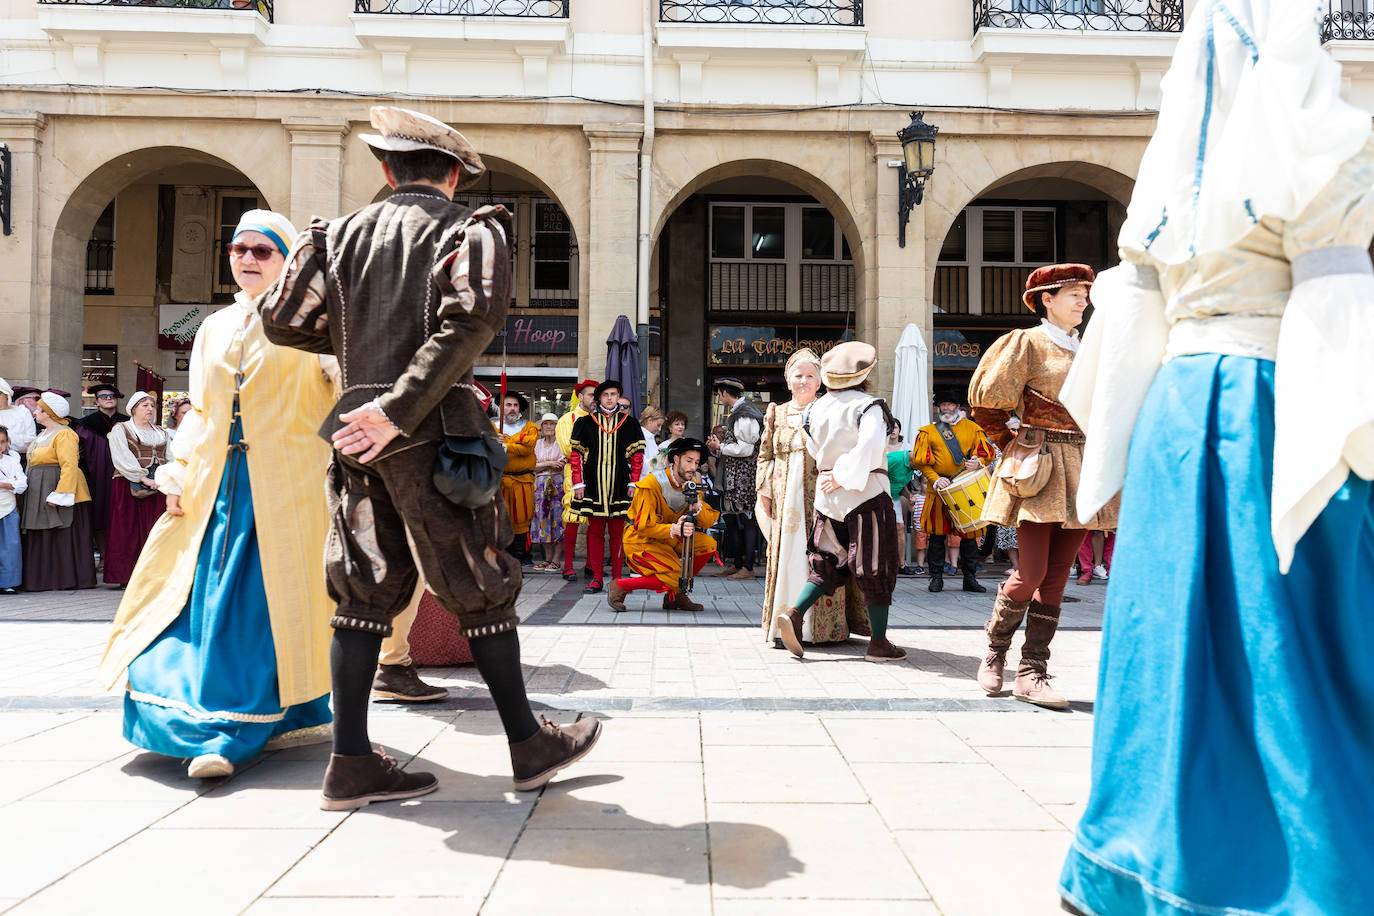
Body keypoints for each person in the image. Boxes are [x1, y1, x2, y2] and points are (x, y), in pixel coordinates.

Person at [1056, 6, 1374, 913]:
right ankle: (1309, 876)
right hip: (1273, 403)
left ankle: (1132, 865)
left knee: (1170, 640)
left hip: (1176, 409)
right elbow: (1339, 310)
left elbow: (1131, 323)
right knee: (1293, 641)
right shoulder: (1320, 148)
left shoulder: (1172, 184)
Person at [258, 106, 601, 807]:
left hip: (356, 427)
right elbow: (469, 323)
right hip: (431, 425)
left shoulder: (337, 234)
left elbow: (283, 320)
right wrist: (401, 405)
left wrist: (367, 374)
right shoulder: (470, 229)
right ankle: (529, 745)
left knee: (360, 590)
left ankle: (350, 762)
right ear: (452, 175)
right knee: (478, 581)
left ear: (386, 170)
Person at [98, 209, 336, 780]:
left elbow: (348, 400)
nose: (248, 259)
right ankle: (201, 720)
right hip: (213, 491)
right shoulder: (213, 327)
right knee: (191, 602)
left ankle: (230, 731)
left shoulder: (320, 326)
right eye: (239, 249)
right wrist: (177, 470)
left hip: (286, 494)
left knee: (262, 607)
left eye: (263, 251)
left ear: (287, 261)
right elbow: (201, 413)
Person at [968, 263, 1117, 709]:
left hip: (1082, 464)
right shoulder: (1027, 342)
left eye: (1085, 293)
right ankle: (995, 653)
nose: (1082, 300)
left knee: (1055, 577)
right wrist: (1014, 445)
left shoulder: (1092, 347)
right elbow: (986, 405)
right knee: (1029, 572)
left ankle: (1032, 671)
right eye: (1074, 293)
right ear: (1046, 299)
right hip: (1039, 465)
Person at [775, 342, 905, 663]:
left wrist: (832, 472)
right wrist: (846, 474)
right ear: (864, 374)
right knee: (876, 564)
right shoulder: (868, 405)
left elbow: (814, 447)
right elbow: (872, 444)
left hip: (827, 495)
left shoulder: (816, 408)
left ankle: (795, 613)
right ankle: (878, 643)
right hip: (867, 493)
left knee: (826, 559)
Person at [757, 348, 868, 647]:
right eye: (798, 375)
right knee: (787, 556)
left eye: (810, 376)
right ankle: (784, 625)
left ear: (821, 381)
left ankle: (823, 629)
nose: (804, 381)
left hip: (822, 497)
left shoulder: (829, 410)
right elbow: (765, 454)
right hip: (783, 496)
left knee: (823, 554)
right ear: (788, 379)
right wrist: (764, 491)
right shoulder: (776, 413)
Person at [608, 437, 719, 613]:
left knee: (707, 544)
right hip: (641, 539)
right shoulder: (653, 483)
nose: (693, 467)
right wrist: (674, 529)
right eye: (689, 460)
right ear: (676, 459)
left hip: (669, 539)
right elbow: (643, 526)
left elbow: (707, 521)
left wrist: (697, 507)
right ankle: (621, 585)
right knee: (676, 575)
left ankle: (674, 596)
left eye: (696, 462)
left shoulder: (691, 485)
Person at [911, 390, 996, 593]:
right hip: (938, 491)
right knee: (937, 537)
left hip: (966, 490)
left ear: (958, 407)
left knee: (969, 538)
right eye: (943, 405)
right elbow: (921, 462)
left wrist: (979, 462)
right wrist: (935, 479)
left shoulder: (973, 429)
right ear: (938, 408)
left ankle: (970, 578)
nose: (946, 408)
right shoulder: (928, 432)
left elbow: (987, 455)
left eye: (950, 404)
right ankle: (936, 578)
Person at [569, 379, 645, 594]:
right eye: (606, 395)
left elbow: (637, 456)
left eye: (614, 394)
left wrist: (634, 481)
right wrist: (578, 483)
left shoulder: (629, 423)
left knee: (617, 533)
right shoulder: (584, 423)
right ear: (599, 398)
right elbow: (575, 456)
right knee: (594, 533)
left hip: (620, 483)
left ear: (618, 397)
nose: (610, 398)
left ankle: (619, 579)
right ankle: (597, 578)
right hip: (593, 484)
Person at [20, 392, 96, 592]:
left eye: (38, 409)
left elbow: (69, 465)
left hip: (57, 485)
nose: (35, 411)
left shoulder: (65, 434)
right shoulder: (42, 434)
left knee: (61, 530)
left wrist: (61, 494)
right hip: (40, 486)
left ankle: (63, 578)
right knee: (43, 532)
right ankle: (44, 578)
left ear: (49, 413)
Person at [102, 391, 170, 587]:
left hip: (159, 486)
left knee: (155, 529)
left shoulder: (161, 432)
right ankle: (127, 576)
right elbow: (122, 457)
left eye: (151, 405)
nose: (150, 409)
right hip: (128, 485)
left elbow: (171, 457)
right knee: (128, 530)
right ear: (133, 409)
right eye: (145, 405)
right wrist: (143, 478)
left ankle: (156, 575)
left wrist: (166, 478)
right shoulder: (121, 430)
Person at [712, 378, 764, 580]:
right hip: (733, 476)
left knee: (747, 519)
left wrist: (721, 447)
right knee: (731, 518)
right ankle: (738, 563)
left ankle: (748, 567)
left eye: (719, 393)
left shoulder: (745, 415)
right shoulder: (738, 413)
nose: (719, 396)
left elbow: (747, 448)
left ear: (724, 393)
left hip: (745, 476)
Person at [72, 382, 129, 563]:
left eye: (111, 396)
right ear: (96, 402)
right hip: (96, 476)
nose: (108, 399)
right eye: (103, 397)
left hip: (123, 475)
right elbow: (79, 452)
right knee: (99, 514)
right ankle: (104, 556)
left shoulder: (126, 422)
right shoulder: (86, 424)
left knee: (121, 515)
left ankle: (120, 558)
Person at [557, 379, 598, 581]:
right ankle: (568, 566)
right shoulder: (567, 419)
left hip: (598, 474)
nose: (594, 399)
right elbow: (568, 448)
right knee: (572, 519)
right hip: (574, 472)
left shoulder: (601, 419)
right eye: (591, 394)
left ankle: (591, 564)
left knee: (595, 520)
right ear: (580, 396)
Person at [494, 391, 538, 564]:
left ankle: (518, 560)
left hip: (523, 482)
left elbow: (527, 448)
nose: (512, 409)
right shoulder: (491, 428)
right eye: (508, 405)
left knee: (521, 520)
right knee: (500, 520)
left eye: (515, 405)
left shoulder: (530, 427)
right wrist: (493, 441)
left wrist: (505, 444)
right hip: (499, 482)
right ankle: (502, 560)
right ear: (501, 407)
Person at [529, 412, 565, 570]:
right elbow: (531, 465)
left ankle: (556, 559)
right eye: (546, 424)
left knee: (557, 521)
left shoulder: (562, 443)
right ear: (542, 427)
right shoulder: (536, 444)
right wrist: (549, 463)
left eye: (552, 424)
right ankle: (547, 558)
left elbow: (562, 464)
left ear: (557, 427)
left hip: (557, 485)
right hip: (539, 487)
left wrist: (542, 464)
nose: (549, 427)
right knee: (543, 521)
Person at [886, 420, 917, 574]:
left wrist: (909, 495)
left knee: (900, 527)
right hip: (880, 496)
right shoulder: (893, 458)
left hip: (896, 496)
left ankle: (902, 564)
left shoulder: (910, 460)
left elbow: (900, 482)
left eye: (896, 427)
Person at [0, 426, 27, 594]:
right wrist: (10, 483)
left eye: (2, 442)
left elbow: (21, 484)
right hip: (7, 497)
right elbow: (14, 483)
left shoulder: (11, 461)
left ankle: (8, 581)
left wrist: (4, 484)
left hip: (8, 507)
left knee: (10, 545)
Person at [0, 380, 37, 457]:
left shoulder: (22, 412)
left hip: (20, 459)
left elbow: (32, 441)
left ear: (7, 395)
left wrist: (8, 437)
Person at [638, 405, 665, 473]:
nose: (659, 429)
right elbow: (643, 466)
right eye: (658, 425)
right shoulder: (639, 437)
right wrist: (661, 456)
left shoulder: (650, 437)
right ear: (649, 420)